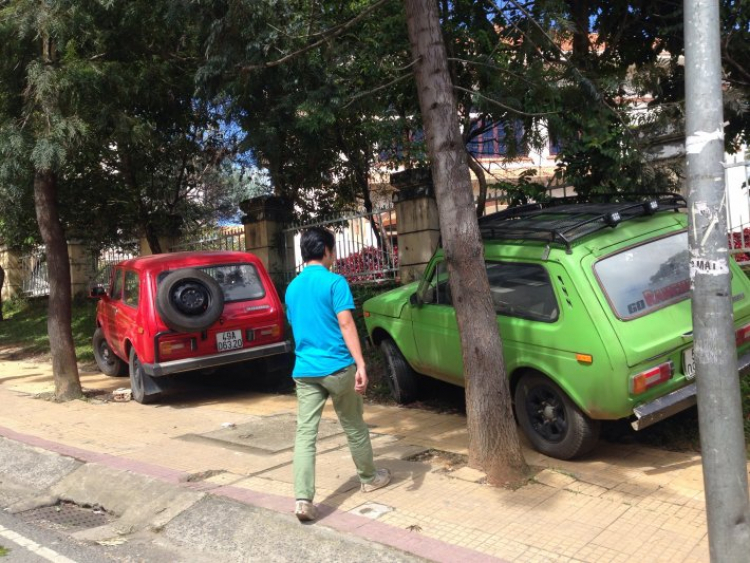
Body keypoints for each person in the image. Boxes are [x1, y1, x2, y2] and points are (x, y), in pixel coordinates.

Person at [285, 227, 391, 522]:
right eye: (334, 249)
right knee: (354, 425)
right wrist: (361, 363)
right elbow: (346, 324)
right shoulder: (335, 282)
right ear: (327, 251)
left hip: (305, 370)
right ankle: (369, 478)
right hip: (338, 367)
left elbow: (296, 324)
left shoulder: (292, 288)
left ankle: (303, 499)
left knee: (305, 434)